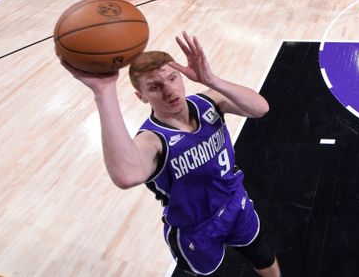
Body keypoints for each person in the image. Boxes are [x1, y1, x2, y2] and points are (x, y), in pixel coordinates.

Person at [60, 32, 282, 277]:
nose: (169, 90)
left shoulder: (209, 103)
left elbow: (260, 108)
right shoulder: (151, 140)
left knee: (261, 253)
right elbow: (125, 175)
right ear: (141, 96)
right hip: (194, 228)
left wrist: (211, 79)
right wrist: (104, 92)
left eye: (172, 78)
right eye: (155, 87)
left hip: (234, 202)